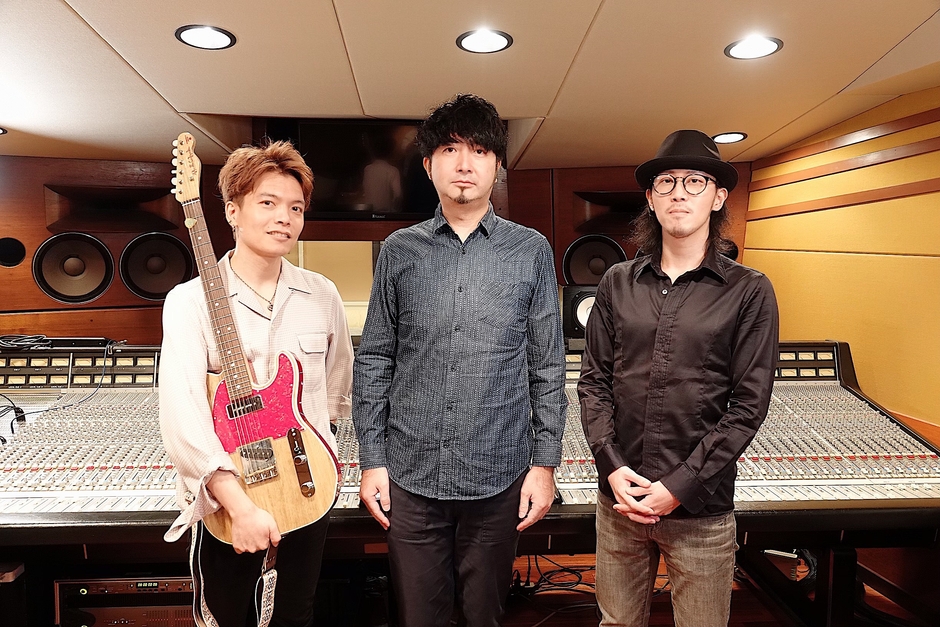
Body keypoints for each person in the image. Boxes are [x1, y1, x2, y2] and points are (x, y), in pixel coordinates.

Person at [352, 94, 566, 627]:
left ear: (498, 166)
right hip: (410, 477)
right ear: (428, 165)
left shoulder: (531, 251)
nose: (465, 163)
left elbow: (546, 366)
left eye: (479, 151)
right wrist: (372, 460)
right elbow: (375, 359)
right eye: (450, 150)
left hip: (499, 476)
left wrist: (544, 466)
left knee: (484, 617)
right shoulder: (399, 250)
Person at [578, 130, 779, 627]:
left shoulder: (750, 291)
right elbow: (594, 383)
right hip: (620, 502)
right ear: (650, 198)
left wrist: (679, 486)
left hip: (700, 510)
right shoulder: (616, 282)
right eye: (666, 182)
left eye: (695, 182)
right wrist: (611, 466)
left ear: (719, 197)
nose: (679, 193)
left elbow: (748, 407)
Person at [160, 140, 353, 627]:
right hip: (229, 501)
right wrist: (240, 506)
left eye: (296, 208)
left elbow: (335, 390)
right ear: (232, 211)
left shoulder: (322, 294)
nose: (283, 217)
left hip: (307, 488)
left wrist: (310, 454)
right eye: (267, 203)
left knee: (295, 615)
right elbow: (183, 416)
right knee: (228, 618)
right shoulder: (189, 302)